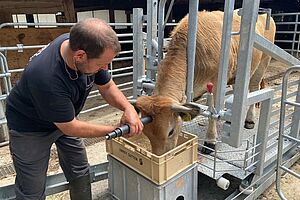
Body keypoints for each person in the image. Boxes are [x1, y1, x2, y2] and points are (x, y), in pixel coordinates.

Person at [5, 18, 143, 200]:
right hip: (30, 128)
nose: (105, 68)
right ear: (80, 56)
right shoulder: (46, 77)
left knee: (79, 170)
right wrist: (117, 131)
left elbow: (107, 86)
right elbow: (70, 127)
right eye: (102, 65)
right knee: (32, 190)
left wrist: (129, 108)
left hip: (64, 118)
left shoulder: (81, 46)